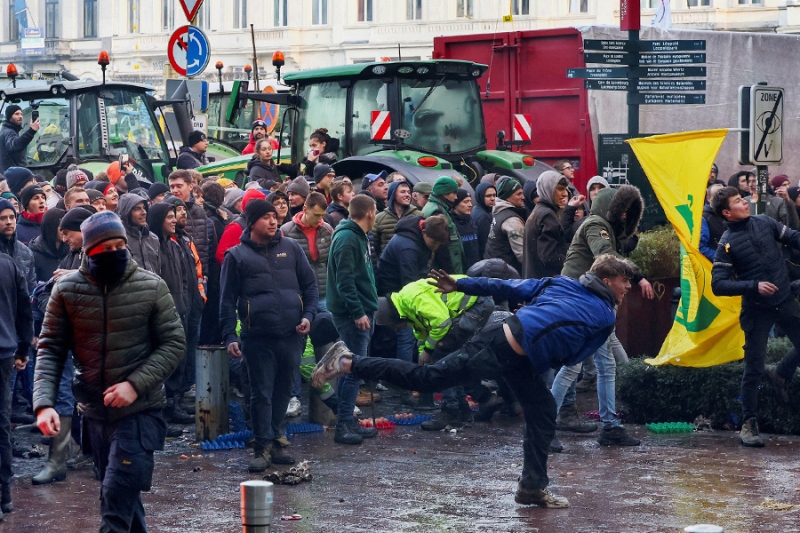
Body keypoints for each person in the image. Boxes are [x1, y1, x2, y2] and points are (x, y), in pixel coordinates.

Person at [312, 254, 635, 508]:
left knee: (543, 409)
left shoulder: (561, 283)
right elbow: (574, 355)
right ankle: (346, 360)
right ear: (607, 281)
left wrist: (460, 284)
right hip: (500, 347)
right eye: (625, 281)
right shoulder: (605, 316)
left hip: (514, 348)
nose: (628, 287)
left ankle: (532, 488)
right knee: (428, 378)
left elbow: (507, 287)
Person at [33, 210, 185, 532]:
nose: (115, 252)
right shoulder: (66, 291)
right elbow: (50, 350)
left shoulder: (151, 286)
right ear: (88, 251)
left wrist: (133, 384)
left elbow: (174, 344)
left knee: (115, 504)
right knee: (124, 503)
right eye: (105, 247)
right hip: (95, 414)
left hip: (140, 411)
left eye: (120, 244)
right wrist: (44, 404)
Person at [220, 200, 318, 471]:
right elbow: (226, 300)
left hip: (291, 334)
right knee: (260, 392)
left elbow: (310, 286)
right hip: (257, 337)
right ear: (251, 223)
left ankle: (278, 440)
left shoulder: (291, 248)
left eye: (274, 217)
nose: (273, 222)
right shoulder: (236, 256)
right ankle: (261, 445)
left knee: (284, 390)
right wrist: (230, 335)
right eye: (266, 217)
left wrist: (308, 316)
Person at [557, 185, 652, 446]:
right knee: (572, 366)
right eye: (622, 211)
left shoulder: (608, 228)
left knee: (604, 364)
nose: (624, 217)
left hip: (593, 299)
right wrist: (639, 276)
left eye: (628, 213)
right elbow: (605, 256)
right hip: (579, 299)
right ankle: (544, 426)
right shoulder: (595, 224)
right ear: (610, 208)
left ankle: (610, 425)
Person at [710, 186, 800, 447]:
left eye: (743, 198)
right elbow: (719, 285)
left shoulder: (765, 222)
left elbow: (793, 237)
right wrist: (753, 286)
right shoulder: (726, 243)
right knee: (754, 368)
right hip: (756, 310)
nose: (745, 202)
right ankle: (749, 424)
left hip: (784, 300)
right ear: (727, 212)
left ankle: (781, 373)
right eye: (739, 201)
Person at [325, 194, 380, 445]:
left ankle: (349, 420)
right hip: (351, 314)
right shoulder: (348, 238)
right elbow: (344, 281)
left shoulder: (356, 235)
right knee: (352, 368)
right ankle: (344, 422)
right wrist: (358, 312)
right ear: (370, 213)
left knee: (355, 367)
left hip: (360, 310)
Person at [146, 203, 196, 426]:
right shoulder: (154, 247)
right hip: (163, 312)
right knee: (165, 361)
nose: (174, 220)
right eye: (169, 217)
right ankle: (164, 407)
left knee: (180, 358)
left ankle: (175, 401)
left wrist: (185, 302)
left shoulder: (175, 246)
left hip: (181, 309)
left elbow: (185, 279)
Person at [0, 248, 33, 520]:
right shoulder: (8, 263)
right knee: (1, 421)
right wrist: (23, 347)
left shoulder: (7, 263)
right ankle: (5, 494)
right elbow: (25, 308)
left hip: (5, 349)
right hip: (5, 350)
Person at [523, 171, 574, 279]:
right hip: (545, 284)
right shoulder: (547, 215)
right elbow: (550, 257)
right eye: (560, 189)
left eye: (565, 189)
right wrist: (574, 260)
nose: (564, 193)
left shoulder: (538, 211)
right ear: (548, 189)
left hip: (535, 281)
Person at [168, 170, 210, 278]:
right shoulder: (166, 211)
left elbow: (205, 245)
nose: (175, 190)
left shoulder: (199, 211)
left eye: (179, 186)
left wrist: (204, 273)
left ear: (190, 186)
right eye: (172, 187)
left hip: (199, 272)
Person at [422, 176, 465, 274]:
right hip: (444, 268)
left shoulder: (437, 207)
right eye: (454, 193)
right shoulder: (437, 211)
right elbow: (441, 247)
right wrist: (450, 273)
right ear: (445, 193)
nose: (456, 197)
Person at [484, 176, 526, 273]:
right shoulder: (511, 220)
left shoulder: (498, 212)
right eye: (519, 194)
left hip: (494, 268)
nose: (523, 197)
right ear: (508, 196)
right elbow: (522, 254)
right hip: (507, 273)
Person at [373, 180, 419, 261]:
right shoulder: (379, 218)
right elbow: (374, 247)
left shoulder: (419, 216)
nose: (407, 195)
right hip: (388, 269)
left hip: (413, 267)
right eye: (403, 192)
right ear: (393, 194)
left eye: (408, 192)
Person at [116, 193, 160, 274]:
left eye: (144, 208)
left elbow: (158, 271)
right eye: (137, 209)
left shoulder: (153, 238)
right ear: (126, 212)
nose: (144, 212)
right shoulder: (119, 240)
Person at [0, 199, 35, 294]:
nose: (8, 222)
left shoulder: (26, 252)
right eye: (2, 218)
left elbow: (31, 288)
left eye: (12, 217)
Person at [28, 208, 67, 282]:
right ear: (51, 226)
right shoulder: (34, 254)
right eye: (61, 226)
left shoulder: (70, 251)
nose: (65, 230)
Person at [0, 105, 39, 172]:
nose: (20, 116)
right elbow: (15, 145)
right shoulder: (8, 132)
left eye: (21, 114)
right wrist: (31, 131)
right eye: (17, 114)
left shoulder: (11, 131)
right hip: (13, 175)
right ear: (9, 116)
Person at [450, 189, 480, 270]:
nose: (470, 205)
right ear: (456, 204)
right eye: (465, 202)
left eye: (470, 201)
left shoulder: (471, 220)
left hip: (476, 267)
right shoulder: (451, 223)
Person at [700, 184, 726, 263]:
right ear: (708, 198)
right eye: (716, 195)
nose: (720, 198)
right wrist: (721, 258)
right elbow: (701, 247)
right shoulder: (704, 217)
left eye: (723, 194)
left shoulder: (729, 213)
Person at [472, 182, 496, 258]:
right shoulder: (484, 216)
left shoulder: (477, 210)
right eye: (488, 196)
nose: (492, 198)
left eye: (494, 195)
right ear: (480, 196)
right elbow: (485, 244)